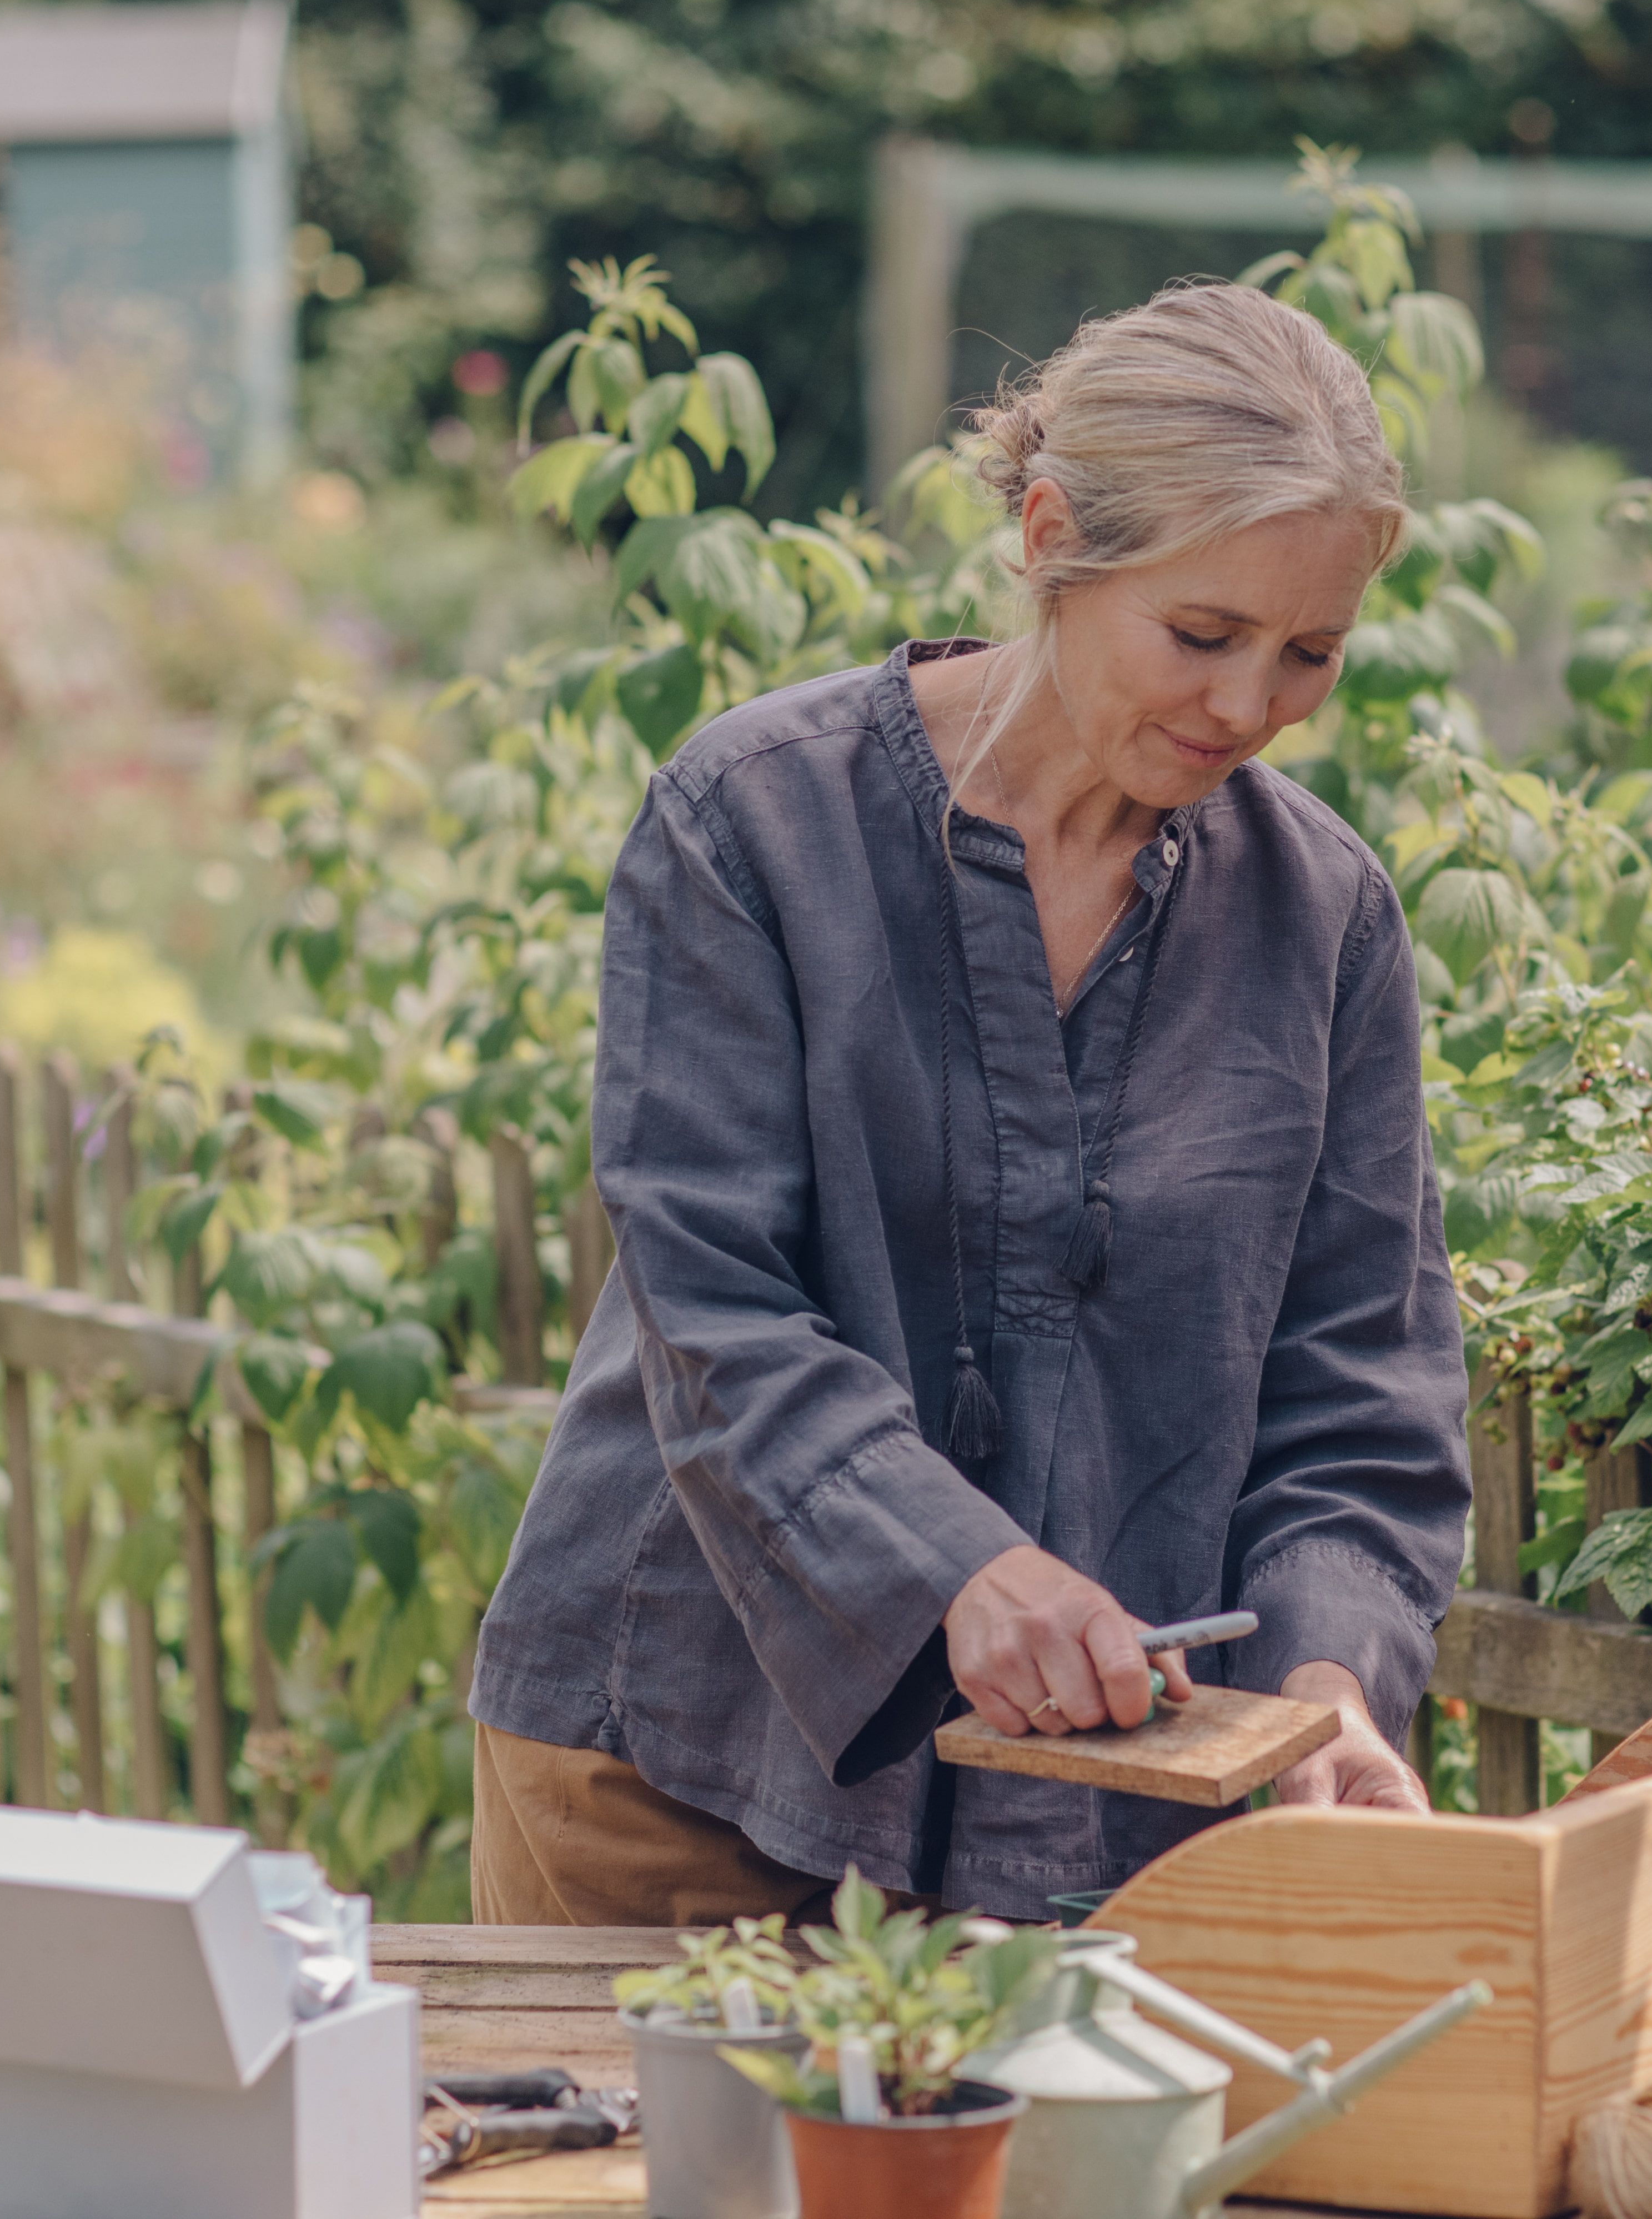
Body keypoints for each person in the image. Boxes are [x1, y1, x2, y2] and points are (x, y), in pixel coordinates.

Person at [465, 280, 1470, 1927]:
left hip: (1090, 1816)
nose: (1248, 707)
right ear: (1053, 537)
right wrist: (955, 1571)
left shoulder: (1326, 919)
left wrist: (1327, 1690)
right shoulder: (754, 824)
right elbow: (714, 1308)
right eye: (1203, 635)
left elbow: (1358, 1391)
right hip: (687, 1764)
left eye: (1311, 653)